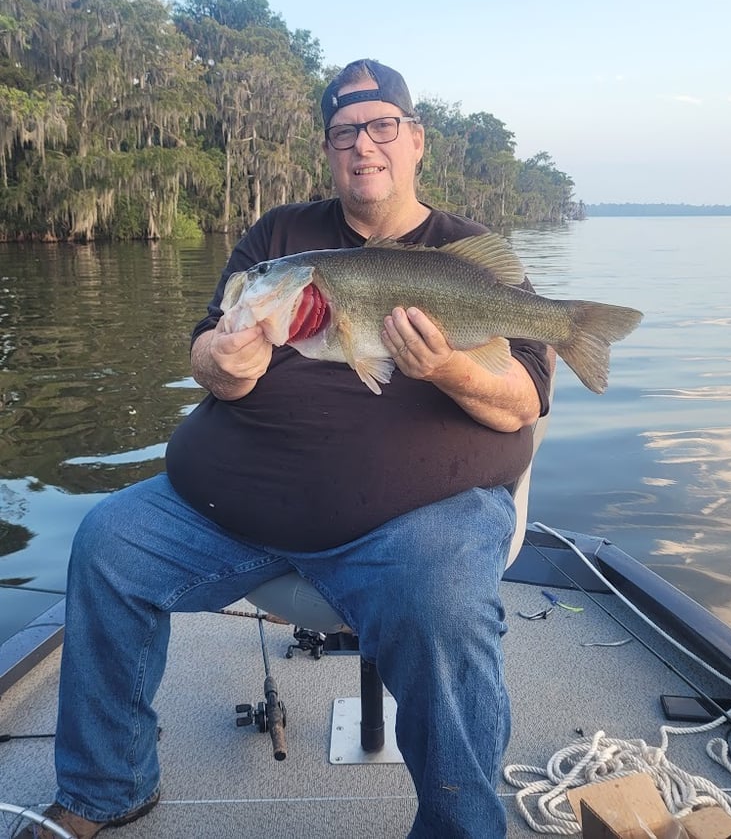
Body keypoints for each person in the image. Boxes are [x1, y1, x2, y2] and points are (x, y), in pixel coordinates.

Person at [24, 59, 552, 839]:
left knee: (442, 601)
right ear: (329, 149)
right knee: (107, 543)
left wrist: (441, 366)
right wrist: (222, 363)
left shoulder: (465, 254)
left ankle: (460, 827)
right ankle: (109, 785)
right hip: (230, 508)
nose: (362, 146)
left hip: (417, 518)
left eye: (380, 127)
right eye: (344, 132)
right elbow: (208, 343)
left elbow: (524, 399)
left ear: (415, 142)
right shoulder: (279, 236)